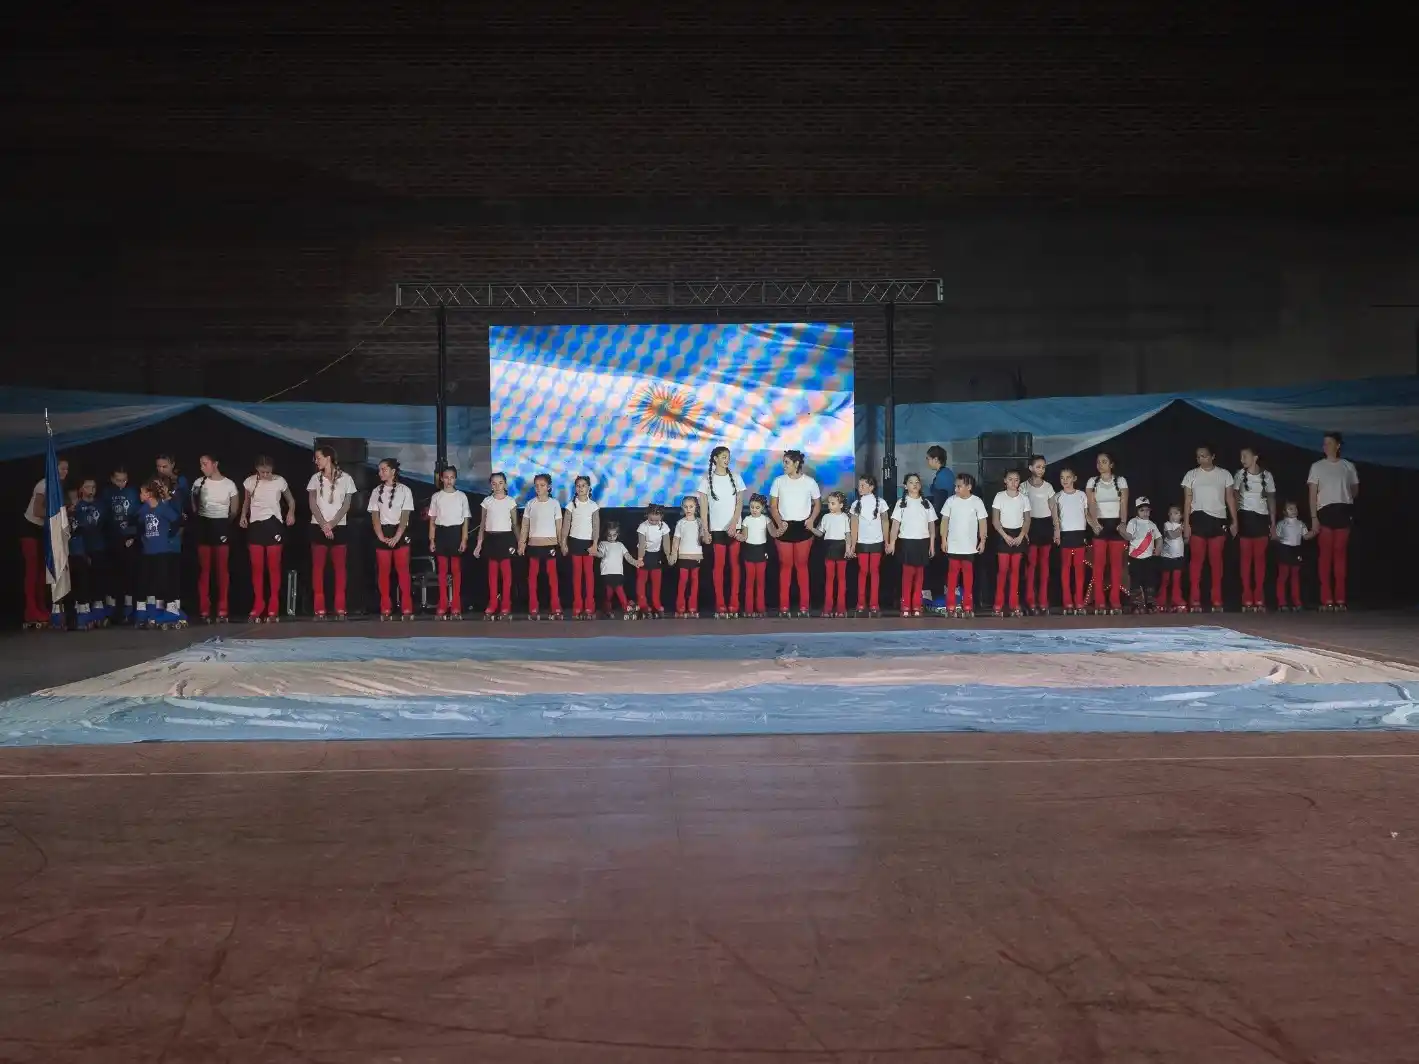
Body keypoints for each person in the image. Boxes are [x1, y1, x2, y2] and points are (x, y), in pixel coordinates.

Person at [1307, 431, 1359, 611]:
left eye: (1329, 443)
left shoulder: (1348, 466)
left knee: (1340, 555)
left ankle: (1340, 598)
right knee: (1325, 556)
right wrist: (1314, 518)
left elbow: (1354, 490)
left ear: (1338, 445)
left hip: (1343, 511)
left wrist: (1343, 498)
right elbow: (1312, 495)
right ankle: (1326, 598)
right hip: (1325, 512)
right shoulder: (1317, 467)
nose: (1326, 446)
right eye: (1324, 444)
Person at [240, 456, 296, 623]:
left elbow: (291, 500)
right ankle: (258, 604)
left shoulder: (280, 481)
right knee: (257, 568)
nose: (266, 475)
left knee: (273, 567)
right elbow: (246, 502)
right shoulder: (250, 482)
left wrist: (291, 513)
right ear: (257, 470)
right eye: (262, 472)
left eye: (268, 472)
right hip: (256, 526)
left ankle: (273, 604)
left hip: (274, 525)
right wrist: (243, 516)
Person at [1182, 445, 1236, 613]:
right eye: (1198, 457)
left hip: (1218, 520)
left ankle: (1216, 599)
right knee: (1196, 562)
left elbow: (1230, 498)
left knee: (1216, 562)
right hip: (1198, 519)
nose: (1201, 459)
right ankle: (1194, 599)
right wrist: (1186, 524)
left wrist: (1235, 521)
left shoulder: (1224, 474)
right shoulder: (1191, 475)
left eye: (1204, 456)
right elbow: (1187, 501)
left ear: (1213, 456)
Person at [768, 450, 821, 618]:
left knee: (802, 566)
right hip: (784, 528)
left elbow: (817, 504)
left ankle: (804, 607)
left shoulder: (810, 482)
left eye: (787, 462)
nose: (784, 465)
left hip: (803, 529)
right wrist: (779, 522)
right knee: (785, 566)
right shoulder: (778, 481)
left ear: (796, 464)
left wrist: (811, 520)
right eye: (783, 462)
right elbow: (773, 506)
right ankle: (784, 607)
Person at [307, 446, 358, 620]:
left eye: (318, 458)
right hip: (318, 527)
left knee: (340, 569)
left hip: (339, 527)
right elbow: (312, 504)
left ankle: (340, 606)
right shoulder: (315, 478)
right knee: (318, 568)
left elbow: (346, 505)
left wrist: (332, 524)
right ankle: (319, 607)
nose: (316, 461)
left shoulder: (346, 479)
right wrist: (323, 525)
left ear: (328, 458)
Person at [190, 454, 240, 623]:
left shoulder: (229, 484)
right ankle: (204, 609)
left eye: (205, 464)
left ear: (215, 464)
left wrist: (223, 523)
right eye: (200, 464)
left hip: (221, 526)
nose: (202, 467)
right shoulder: (199, 483)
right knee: (204, 569)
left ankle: (222, 609)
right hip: (204, 526)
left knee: (222, 569)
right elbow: (194, 506)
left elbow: (234, 510)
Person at [19, 456, 67, 629]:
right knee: (32, 571)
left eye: (67, 469)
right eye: (62, 468)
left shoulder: (57, 486)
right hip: (30, 529)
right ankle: (30, 610)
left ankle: (41, 607)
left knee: (41, 571)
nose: (65, 472)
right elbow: (37, 510)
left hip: (43, 530)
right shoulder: (44, 484)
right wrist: (58, 514)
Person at [697, 446, 745, 618]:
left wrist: (734, 523)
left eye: (728, 457)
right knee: (719, 566)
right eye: (724, 457)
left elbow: (739, 503)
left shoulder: (736, 478)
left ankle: (734, 603)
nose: (727, 460)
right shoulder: (706, 480)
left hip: (733, 529)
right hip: (716, 529)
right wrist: (705, 530)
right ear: (715, 459)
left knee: (735, 566)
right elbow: (703, 509)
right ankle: (720, 604)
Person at [370, 458, 415, 621]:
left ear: (393, 471)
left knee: (403, 571)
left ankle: (407, 607)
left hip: (400, 533)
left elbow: (405, 516)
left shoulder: (405, 491)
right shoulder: (376, 491)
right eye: (379, 470)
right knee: (383, 572)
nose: (380, 472)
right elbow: (375, 516)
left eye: (384, 469)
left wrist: (397, 536)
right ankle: (385, 607)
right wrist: (380, 535)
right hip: (383, 532)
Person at [887, 473, 937, 618]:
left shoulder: (926, 503)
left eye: (917, 482)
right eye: (911, 482)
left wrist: (932, 545)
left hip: (922, 542)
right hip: (907, 542)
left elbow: (931, 526)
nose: (914, 485)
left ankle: (916, 604)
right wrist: (892, 543)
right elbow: (895, 525)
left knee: (919, 575)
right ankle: (905, 604)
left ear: (920, 485)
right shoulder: (901, 503)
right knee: (907, 575)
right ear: (905, 486)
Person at [1085, 453, 1129, 615]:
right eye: (1098, 462)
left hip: (1116, 525)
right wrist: (1094, 524)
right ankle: (1099, 600)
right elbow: (1090, 503)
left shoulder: (1120, 481)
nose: (1100, 464)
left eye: (1104, 462)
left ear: (1111, 464)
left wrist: (1123, 523)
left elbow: (1124, 503)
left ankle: (1115, 599)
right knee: (1099, 566)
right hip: (1100, 526)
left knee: (1117, 566)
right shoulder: (1092, 481)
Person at [1234, 446, 1276, 612]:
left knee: (1259, 559)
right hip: (1245, 518)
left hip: (1261, 519)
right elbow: (1234, 498)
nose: (1242, 459)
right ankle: (1246, 596)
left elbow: (1271, 500)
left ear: (1255, 457)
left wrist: (1273, 524)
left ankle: (1259, 595)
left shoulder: (1267, 476)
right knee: (1246, 559)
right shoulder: (1239, 475)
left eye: (1245, 456)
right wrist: (1235, 521)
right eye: (1241, 456)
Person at [940, 473, 988, 618]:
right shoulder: (950, 501)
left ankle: (967, 606)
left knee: (968, 577)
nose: (956, 489)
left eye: (959, 486)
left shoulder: (977, 502)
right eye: (955, 486)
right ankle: (950, 606)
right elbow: (944, 521)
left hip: (969, 546)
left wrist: (982, 541)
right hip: (953, 545)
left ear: (969, 487)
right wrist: (943, 540)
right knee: (952, 577)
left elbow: (982, 522)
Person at [136, 478, 183, 628]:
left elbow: (177, 521)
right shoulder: (144, 509)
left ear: (149, 494)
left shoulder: (163, 508)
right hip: (148, 551)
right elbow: (137, 522)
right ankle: (151, 610)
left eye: (142, 492)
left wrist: (169, 534)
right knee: (149, 580)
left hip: (162, 550)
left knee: (163, 581)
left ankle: (172, 609)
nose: (140, 495)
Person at [473, 472, 519, 620]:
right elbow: (482, 525)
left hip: (506, 539)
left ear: (505, 484)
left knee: (506, 575)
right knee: (492, 575)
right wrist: (479, 544)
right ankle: (493, 603)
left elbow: (515, 524)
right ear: (491, 486)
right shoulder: (487, 501)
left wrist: (520, 543)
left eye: (500, 483)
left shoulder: (510, 501)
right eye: (494, 483)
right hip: (491, 539)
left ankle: (505, 604)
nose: (497, 486)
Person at [428, 465, 471, 620]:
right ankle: (442, 604)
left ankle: (456, 605)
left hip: (455, 533)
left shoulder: (461, 496)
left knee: (456, 571)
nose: (449, 481)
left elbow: (465, 521)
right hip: (441, 533)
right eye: (446, 478)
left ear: (455, 479)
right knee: (442, 571)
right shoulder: (436, 497)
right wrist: (432, 539)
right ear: (441, 479)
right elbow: (432, 520)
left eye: (452, 478)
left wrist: (464, 539)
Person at [519, 473, 563, 620]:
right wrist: (522, 543)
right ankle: (533, 606)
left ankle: (555, 606)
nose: (539, 488)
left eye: (542, 485)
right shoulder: (530, 504)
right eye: (536, 485)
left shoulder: (554, 504)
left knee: (552, 577)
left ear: (549, 487)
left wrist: (562, 544)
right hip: (534, 544)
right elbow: (525, 526)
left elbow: (559, 526)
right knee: (532, 577)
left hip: (550, 544)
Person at [101, 466, 140, 624]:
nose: (121, 483)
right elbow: (104, 517)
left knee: (130, 574)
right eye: (118, 480)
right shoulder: (107, 493)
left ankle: (130, 610)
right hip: (112, 539)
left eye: (124, 480)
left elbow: (138, 515)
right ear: (112, 479)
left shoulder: (132, 492)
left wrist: (133, 536)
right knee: (115, 576)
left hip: (129, 539)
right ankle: (115, 611)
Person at [991, 469, 1032, 617]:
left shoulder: (1024, 498)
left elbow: (1027, 520)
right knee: (1003, 571)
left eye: (1016, 480)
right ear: (1005, 481)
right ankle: (998, 604)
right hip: (1003, 535)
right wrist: (1004, 536)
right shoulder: (999, 496)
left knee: (1015, 572)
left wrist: (1021, 535)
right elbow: (995, 520)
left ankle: (1014, 604)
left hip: (1018, 534)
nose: (1013, 482)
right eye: (1010, 479)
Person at [561, 476, 601, 620]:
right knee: (577, 575)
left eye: (583, 485)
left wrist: (595, 544)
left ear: (589, 488)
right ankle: (577, 605)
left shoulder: (593, 506)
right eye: (578, 485)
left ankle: (589, 605)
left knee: (589, 575)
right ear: (575, 488)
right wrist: (563, 542)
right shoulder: (571, 505)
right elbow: (566, 525)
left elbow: (596, 526)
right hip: (575, 542)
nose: (581, 488)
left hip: (588, 544)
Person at [849, 474, 890, 617]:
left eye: (863, 485)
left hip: (877, 541)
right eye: (859, 485)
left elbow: (885, 522)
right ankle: (861, 603)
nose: (860, 488)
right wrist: (853, 544)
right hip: (862, 542)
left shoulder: (881, 503)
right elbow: (854, 526)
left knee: (874, 571)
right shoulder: (855, 504)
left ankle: (874, 604)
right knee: (863, 571)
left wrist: (887, 541)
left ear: (871, 487)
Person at [1022, 456, 1057, 615]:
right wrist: (1024, 531)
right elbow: (1021, 509)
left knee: (1044, 566)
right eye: (1038, 467)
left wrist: (1056, 529)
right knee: (1031, 565)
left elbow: (1053, 508)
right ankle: (1030, 601)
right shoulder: (1024, 486)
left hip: (1045, 525)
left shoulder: (1048, 487)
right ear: (1031, 468)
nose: (1041, 470)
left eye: (1043, 467)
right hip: (1031, 525)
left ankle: (1043, 601)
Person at [71, 478, 107, 628]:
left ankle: (98, 609)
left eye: (93, 487)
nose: (91, 490)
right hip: (81, 548)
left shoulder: (100, 505)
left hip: (98, 546)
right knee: (83, 579)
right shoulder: (77, 507)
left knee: (98, 578)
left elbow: (105, 525)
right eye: (87, 487)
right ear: (81, 489)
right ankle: (83, 610)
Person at [1053, 467, 1089, 615]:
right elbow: (1056, 518)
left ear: (1074, 478)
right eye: (1062, 477)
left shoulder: (1082, 495)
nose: (1065, 480)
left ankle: (1079, 601)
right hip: (1065, 534)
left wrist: (1093, 527)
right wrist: (1057, 533)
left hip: (1079, 534)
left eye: (1068, 477)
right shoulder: (1057, 496)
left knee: (1079, 570)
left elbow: (1086, 515)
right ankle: (1067, 602)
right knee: (1065, 569)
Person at [814, 490, 852, 618]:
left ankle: (841, 608)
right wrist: (811, 528)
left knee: (841, 579)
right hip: (829, 547)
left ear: (841, 505)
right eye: (829, 503)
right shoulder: (826, 517)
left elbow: (848, 534)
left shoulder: (845, 517)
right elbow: (820, 532)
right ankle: (827, 608)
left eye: (833, 503)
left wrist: (848, 549)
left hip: (841, 547)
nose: (830, 505)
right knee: (829, 579)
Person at [736, 494, 772, 618]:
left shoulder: (766, 519)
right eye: (752, 507)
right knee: (749, 582)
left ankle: (761, 609)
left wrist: (781, 528)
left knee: (760, 583)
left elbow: (773, 532)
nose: (754, 510)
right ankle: (749, 609)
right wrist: (737, 536)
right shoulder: (746, 520)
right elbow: (744, 536)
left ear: (763, 508)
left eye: (757, 507)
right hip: (749, 552)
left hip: (761, 552)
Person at [669, 496, 705, 618]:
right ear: (682, 508)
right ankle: (680, 608)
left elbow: (703, 538)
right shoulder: (681, 523)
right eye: (685, 507)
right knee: (682, 582)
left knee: (695, 583)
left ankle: (692, 607)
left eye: (691, 506)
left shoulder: (700, 522)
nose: (688, 509)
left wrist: (705, 534)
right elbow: (676, 540)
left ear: (696, 507)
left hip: (696, 557)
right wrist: (673, 554)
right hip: (683, 556)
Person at [596, 521, 640, 619]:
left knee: (619, 590)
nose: (612, 537)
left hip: (618, 574)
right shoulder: (603, 544)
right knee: (608, 594)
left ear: (617, 534)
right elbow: (600, 554)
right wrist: (594, 552)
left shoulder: (620, 545)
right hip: (607, 573)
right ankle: (607, 609)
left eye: (614, 535)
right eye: (609, 535)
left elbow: (627, 557)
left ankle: (626, 608)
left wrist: (635, 562)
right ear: (606, 534)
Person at [1125, 497, 1161, 612]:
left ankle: (1150, 603)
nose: (1145, 513)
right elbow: (1128, 536)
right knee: (1135, 580)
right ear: (1136, 511)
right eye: (1142, 510)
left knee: (1150, 580)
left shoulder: (1152, 524)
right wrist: (1121, 531)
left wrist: (1158, 548)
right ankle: (1135, 604)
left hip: (1149, 558)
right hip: (1135, 557)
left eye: (1147, 510)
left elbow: (1159, 538)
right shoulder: (1133, 522)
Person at [1274, 501, 1311, 611]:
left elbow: (1306, 536)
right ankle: (1281, 602)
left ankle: (1296, 602)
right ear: (1284, 511)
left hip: (1296, 550)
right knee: (1283, 576)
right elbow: (1276, 536)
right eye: (1290, 509)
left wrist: (1315, 531)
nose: (1294, 511)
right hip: (1284, 550)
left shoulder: (1300, 524)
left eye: (1295, 508)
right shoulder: (1281, 524)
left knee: (1295, 576)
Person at [635, 503, 669, 617]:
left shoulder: (664, 526)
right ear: (647, 515)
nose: (654, 522)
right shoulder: (643, 526)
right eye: (651, 520)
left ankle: (656, 604)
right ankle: (643, 604)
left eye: (656, 520)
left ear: (661, 517)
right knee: (641, 582)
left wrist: (668, 555)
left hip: (656, 556)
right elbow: (641, 544)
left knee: (656, 582)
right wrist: (640, 559)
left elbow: (666, 542)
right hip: (644, 555)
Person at [1158, 505, 1187, 612]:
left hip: (1178, 556)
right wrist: (1181, 528)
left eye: (1175, 513)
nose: (1172, 516)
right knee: (1165, 580)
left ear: (1181, 515)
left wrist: (1186, 531)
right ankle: (1161, 600)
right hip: (1167, 557)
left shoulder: (1183, 526)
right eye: (1170, 514)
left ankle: (1176, 599)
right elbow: (1171, 535)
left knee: (1176, 579)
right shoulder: (1167, 524)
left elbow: (1186, 540)